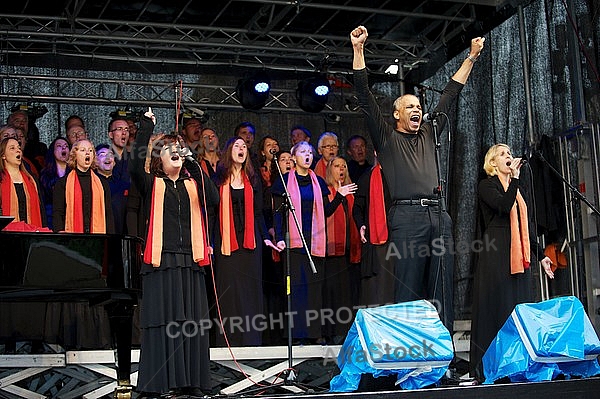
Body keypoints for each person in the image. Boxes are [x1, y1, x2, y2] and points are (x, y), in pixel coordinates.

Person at [350, 25, 485, 332]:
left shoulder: (428, 132)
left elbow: (451, 92)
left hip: (438, 214)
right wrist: (358, 50)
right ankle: (409, 357)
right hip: (406, 217)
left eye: (418, 106)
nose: (416, 109)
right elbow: (363, 94)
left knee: (441, 290)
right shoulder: (386, 137)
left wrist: (472, 58)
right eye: (408, 106)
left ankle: (443, 357)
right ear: (396, 115)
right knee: (408, 289)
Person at [130, 110, 218, 397]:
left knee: (190, 323)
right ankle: (156, 383)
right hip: (162, 260)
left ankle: (191, 381)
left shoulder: (193, 184)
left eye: (179, 150)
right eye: (170, 150)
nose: (177, 153)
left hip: (191, 261)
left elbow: (214, 199)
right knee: (163, 322)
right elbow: (133, 167)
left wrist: (194, 161)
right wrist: (146, 126)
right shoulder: (152, 184)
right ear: (159, 159)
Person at [469, 143, 554, 381]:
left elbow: (524, 228)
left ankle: (518, 362)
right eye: (503, 154)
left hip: (518, 256)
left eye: (509, 153)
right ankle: (491, 366)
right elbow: (504, 207)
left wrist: (541, 256)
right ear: (493, 163)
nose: (509, 156)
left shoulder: (515, 189)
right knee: (499, 307)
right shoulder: (487, 185)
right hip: (497, 253)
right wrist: (515, 179)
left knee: (517, 307)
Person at [271, 141, 356, 342]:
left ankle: (313, 333)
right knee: (297, 291)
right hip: (294, 244)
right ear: (293, 157)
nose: (307, 155)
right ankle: (297, 334)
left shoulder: (317, 181)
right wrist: (280, 237)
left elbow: (326, 212)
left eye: (310, 152)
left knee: (314, 291)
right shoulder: (283, 181)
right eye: (302, 151)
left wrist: (339, 197)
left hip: (315, 243)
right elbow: (278, 214)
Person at [212, 136, 279, 346]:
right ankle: (228, 341)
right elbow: (212, 214)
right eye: (237, 146)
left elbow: (259, 214)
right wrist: (209, 243)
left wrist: (266, 238)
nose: (241, 149)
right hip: (225, 243)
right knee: (229, 292)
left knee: (250, 293)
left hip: (251, 244)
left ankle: (251, 340)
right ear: (229, 151)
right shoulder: (218, 179)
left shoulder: (254, 179)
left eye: (244, 147)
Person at [322, 156, 361, 342]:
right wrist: (339, 195)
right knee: (332, 293)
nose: (341, 169)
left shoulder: (352, 194)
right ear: (330, 170)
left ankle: (346, 332)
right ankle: (331, 332)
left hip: (349, 251)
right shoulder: (326, 192)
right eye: (337, 166)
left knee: (347, 293)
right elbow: (324, 214)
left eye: (344, 165)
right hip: (331, 251)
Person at [352, 157, 394, 307]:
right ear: (376, 153)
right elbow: (357, 208)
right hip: (375, 238)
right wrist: (361, 225)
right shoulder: (367, 177)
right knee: (376, 286)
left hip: (397, 236)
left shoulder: (400, 175)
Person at [52, 139, 114, 234]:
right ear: (75, 155)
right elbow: (58, 213)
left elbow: (108, 214)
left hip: (97, 238)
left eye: (90, 150)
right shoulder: (62, 183)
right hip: (71, 240)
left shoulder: (102, 183)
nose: (87, 153)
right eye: (83, 150)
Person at [0, 137, 46, 228]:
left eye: (19, 148)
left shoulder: (31, 179)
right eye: (12, 148)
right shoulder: (1, 180)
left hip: (31, 235)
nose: (18, 151)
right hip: (7, 236)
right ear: (3, 155)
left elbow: (41, 210)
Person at [95, 144, 130, 235]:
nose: (107, 157)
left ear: (114, 162)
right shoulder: (92, 184)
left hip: (120, 235)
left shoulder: (124, 185)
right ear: (95, 162)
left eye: (110, 155)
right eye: (102, 155)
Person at [39, 137, 70, 230]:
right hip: (51, 218)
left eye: (66, 146)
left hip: (71, 217)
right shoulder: (45, 175)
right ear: (53, 151)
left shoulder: (75, 173)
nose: (63, 148)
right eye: (59, 146)